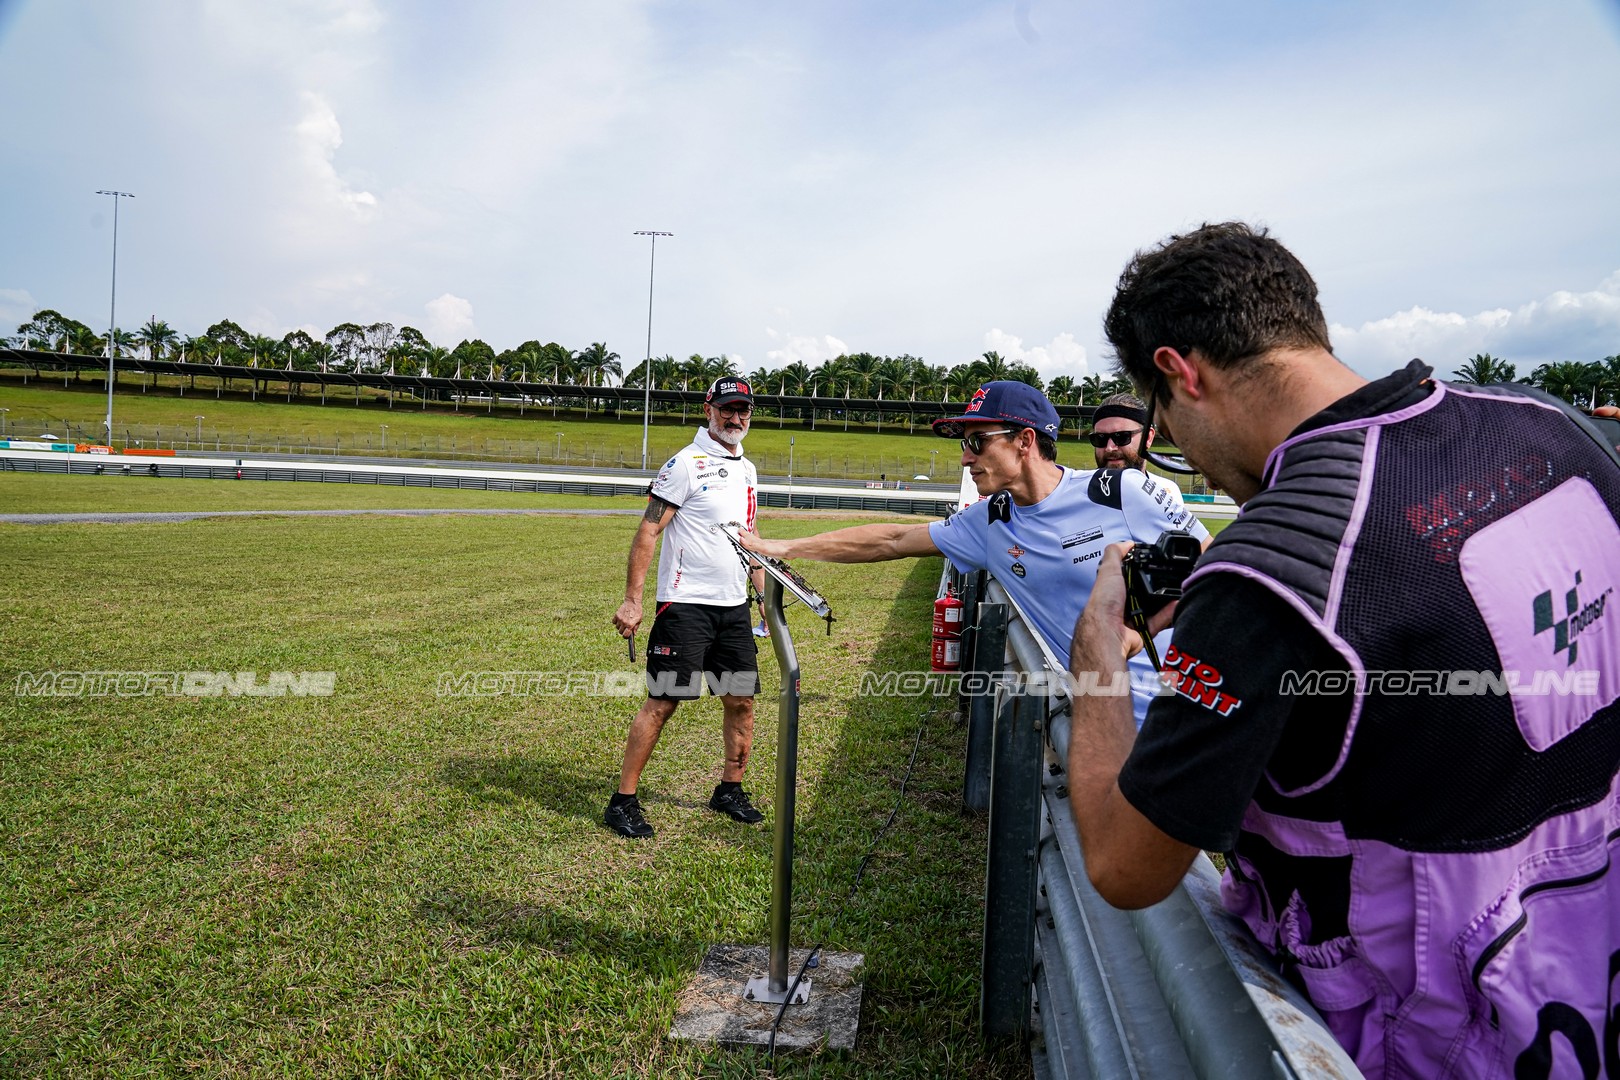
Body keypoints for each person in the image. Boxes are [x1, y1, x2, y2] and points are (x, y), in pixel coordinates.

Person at [1066, 221, 1620, 1077]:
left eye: (1163, 421)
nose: (1191, 464)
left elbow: (1124, 865)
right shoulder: (1555, 427)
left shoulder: (1269, 566)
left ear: (1180, 372)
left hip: (1433, 1031)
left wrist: (1098, 662)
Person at [741, 380, 1208, 724]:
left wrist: (1135, 632)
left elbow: (1218, 567)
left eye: (976, 442)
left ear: (1024, 441)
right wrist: (786, 546)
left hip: (1190, 700)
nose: (965, 457)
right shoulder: (991, 519)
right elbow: (892, 541)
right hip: (1106, 718)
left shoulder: (1122, 490)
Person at [606, 376, 769, 840]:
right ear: (709, 409)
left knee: (740, 700)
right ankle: (623, 801)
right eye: (727, 409)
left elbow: (748, 539)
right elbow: (648, 532)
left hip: (732, 609)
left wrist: (760, 596)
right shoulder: (685, 464)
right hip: (685, 609)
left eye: (744, 410)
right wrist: (633, 601)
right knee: (663, 702)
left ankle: (729, 790)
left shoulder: (748, 470)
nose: (736, 418)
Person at [1088, 392, 1157, 472]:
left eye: (1121, 437)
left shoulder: (1165, 485)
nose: (1109, 448)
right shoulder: (1078, 484)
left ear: (1148, 438)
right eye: (1100, 438)